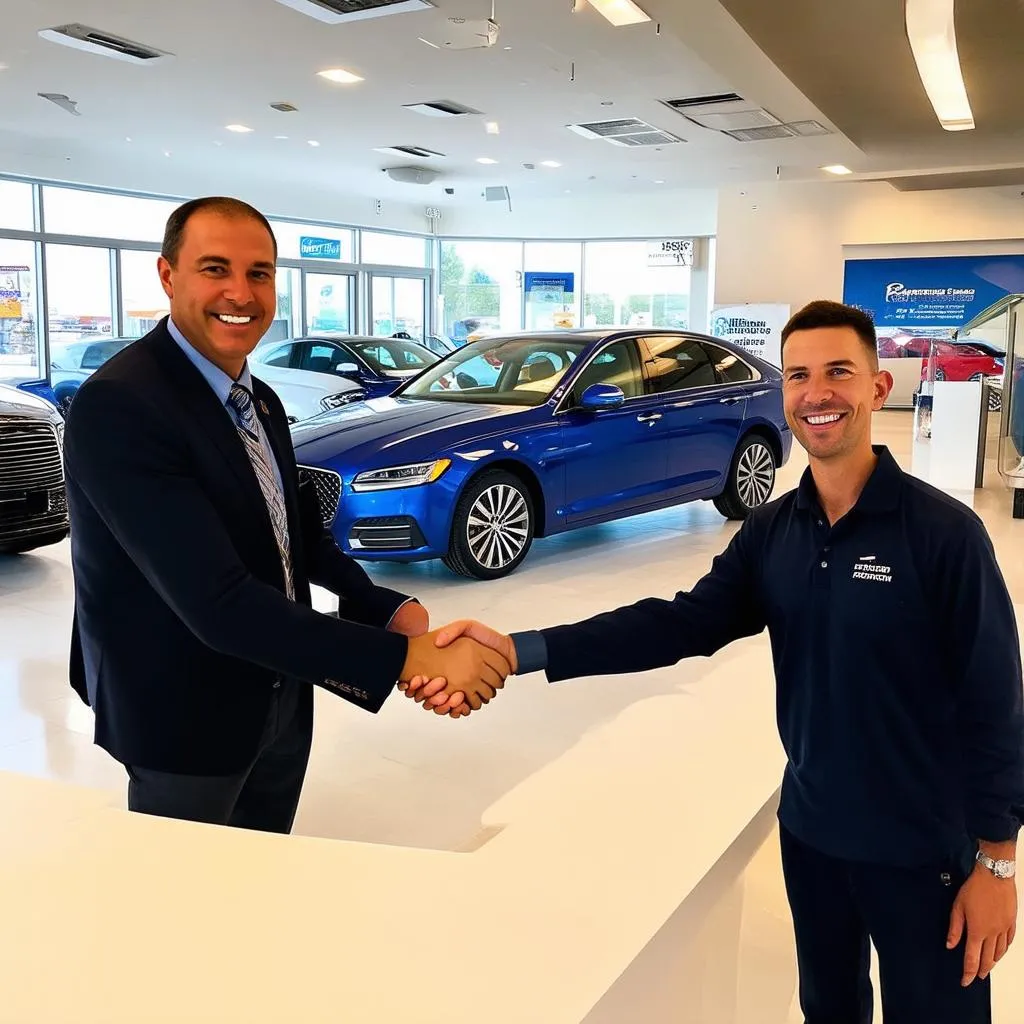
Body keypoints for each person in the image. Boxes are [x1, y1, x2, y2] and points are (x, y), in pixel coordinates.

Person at [408, 300, 1024, 1022]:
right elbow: (680, 624)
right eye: (798, 375)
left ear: (877, 388)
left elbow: (996, 702)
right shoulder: (772, 532)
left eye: (838, 372)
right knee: (829, 1008)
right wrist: (521, 650)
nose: (816, 393)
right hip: (814, 835)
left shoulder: (943, 535)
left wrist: (997, 860)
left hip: (927, 853)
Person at [64, 196, 505, 834]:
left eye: (259, 273)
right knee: (184, 905)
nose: (240, 293)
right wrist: (406, 661)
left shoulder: (258, 397)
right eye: (215, 269)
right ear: (168, 275)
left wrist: (376, 602)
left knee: (263, 881)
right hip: (181, 709)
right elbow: (217, 603)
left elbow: (289, 530)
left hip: (280, 690)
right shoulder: (121, 406)